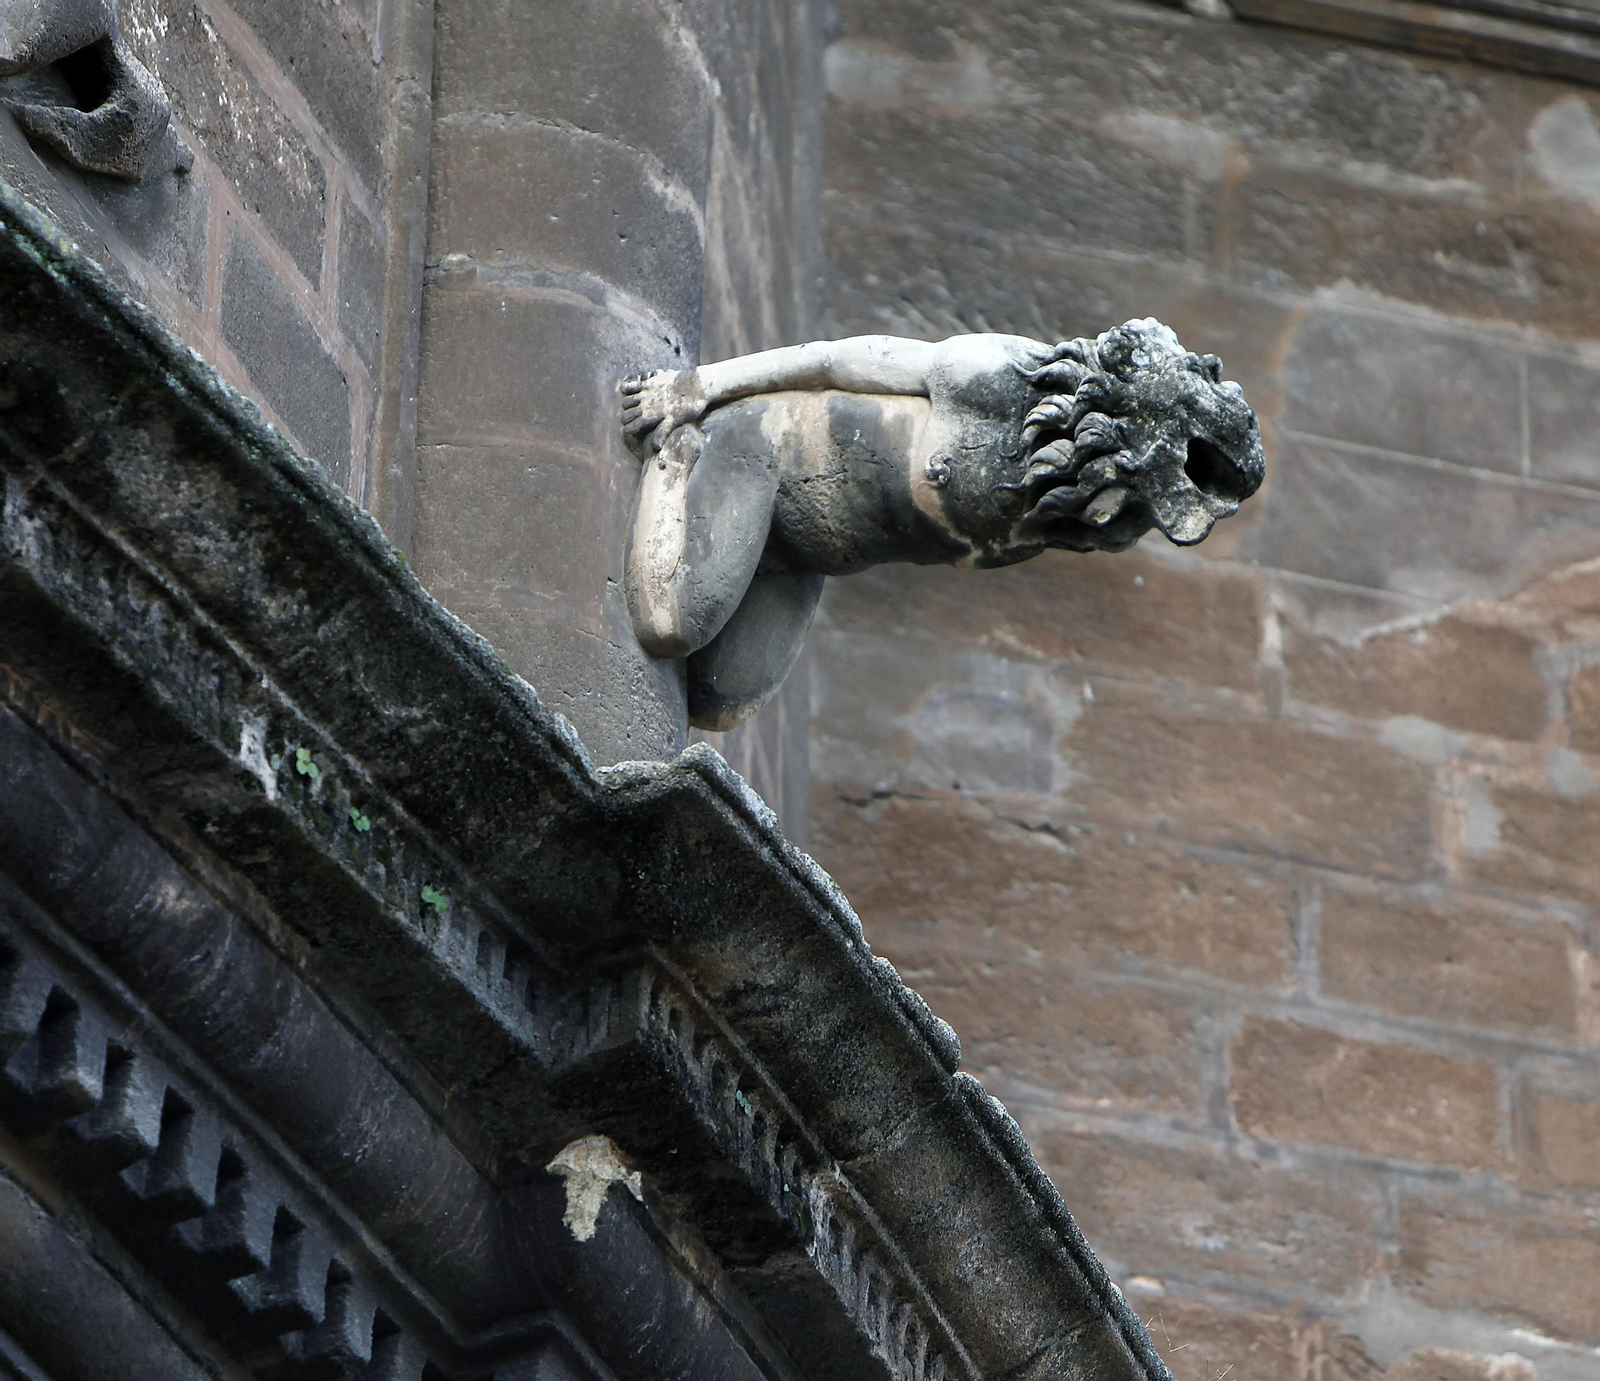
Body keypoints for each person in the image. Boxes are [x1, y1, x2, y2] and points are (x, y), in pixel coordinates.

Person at [620, 318, 1262, 730]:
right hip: (763, 452)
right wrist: (699, 386)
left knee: (721, 701)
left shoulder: (1084, 517)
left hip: (807, 552)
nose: (1147, 522)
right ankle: (679, 458)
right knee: (673, 624)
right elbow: (835, 361)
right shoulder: (1001, 378)